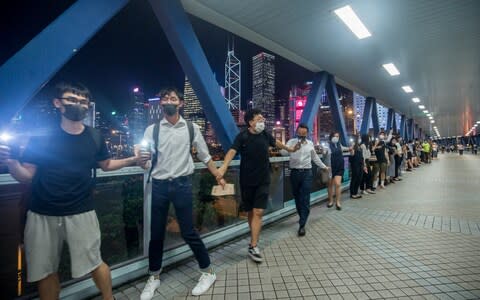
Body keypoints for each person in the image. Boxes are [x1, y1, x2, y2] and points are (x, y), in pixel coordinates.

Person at [0, 82, 145, 300]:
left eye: (83, 101)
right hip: (42, 213)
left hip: (81, 210)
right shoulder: (42, 137)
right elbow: (27, 175)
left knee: (95, 262)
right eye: (72, 99)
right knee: (45, 271)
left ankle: (109, 298)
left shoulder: (95, 136)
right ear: (58, 103)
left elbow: (106, 165)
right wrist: (11, 163)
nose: (78, 105)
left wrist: (133, 159)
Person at [138, 87, 225, 299]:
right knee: (156, 233)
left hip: (182, 185)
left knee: (188, 232)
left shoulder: (191, 128)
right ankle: (154, 276)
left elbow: (205, 156)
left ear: (181, 103)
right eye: (165, 98)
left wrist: (218, 176)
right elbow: (146, 162)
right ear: (160, 104)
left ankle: (207, 271)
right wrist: (142, 161)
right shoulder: (152, 130)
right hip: (158, 185)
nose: (169, 101)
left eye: (173, 98)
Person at [217, 108, 298, 263]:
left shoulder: (265, 134)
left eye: (262, 119)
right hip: (247, 180)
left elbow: (277, 143)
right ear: (250, 122)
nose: (262, 121)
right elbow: (232, 152)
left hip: (263, 179)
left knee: (259, 211)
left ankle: (253, 245)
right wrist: (224, 166)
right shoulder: (243, 136)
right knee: (250, 212)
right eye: (259, 119)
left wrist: (290, 149)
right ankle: (253, 238)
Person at [281, 123, 328, 236]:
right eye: (300, 133)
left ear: (307, 134)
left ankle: (302, 225)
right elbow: (283, 152)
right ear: (297, 132)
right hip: (294, 173)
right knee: (297, 196)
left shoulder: (310, 144)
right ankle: (301, 215)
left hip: (307, 173)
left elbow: (315, 157)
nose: (302, 135)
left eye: (304, 133)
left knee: (305, 197)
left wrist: (324, 167)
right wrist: (292, 149)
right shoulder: (291, 142)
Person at [324, 132, 351, 210]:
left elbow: (345, 148)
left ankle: (338, 202)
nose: (336, 137)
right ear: (331, 137)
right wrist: (323, 152)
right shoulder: (327, 146)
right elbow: (324, 154)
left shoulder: (340, 145)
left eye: (337, 136)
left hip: (339, 166)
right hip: (330, 167)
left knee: (338, 184)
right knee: (330, 185)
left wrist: (350, 148)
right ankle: (331, 201)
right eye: (334, 136)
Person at [349, 134, 366, 199]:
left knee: (359, 178)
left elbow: (362, 157)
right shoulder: (352, 146)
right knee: (354, 178)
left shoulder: (359, 146)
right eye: (358, 138)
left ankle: (355, 192)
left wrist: (364, 165)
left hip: (360, 164)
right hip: (355, 164)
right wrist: (352, 147)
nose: (359, 139)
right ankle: (352, 193)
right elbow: (351, 155)